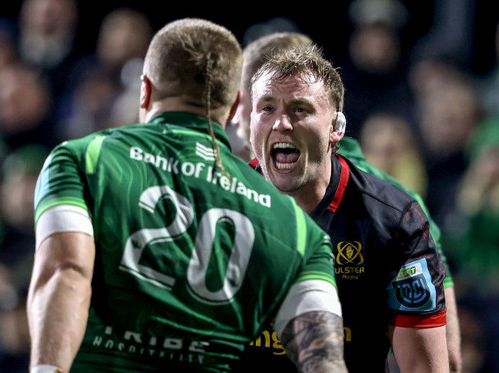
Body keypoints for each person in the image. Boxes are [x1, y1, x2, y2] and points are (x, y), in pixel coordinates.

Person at [26, 18, 347, 373]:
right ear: (236, 102)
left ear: (145, 90)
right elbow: (325, 362)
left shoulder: (83, 160)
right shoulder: (297, 227)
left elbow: (66, 271)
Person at [231, 31, 461, 373]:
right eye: (266, 108)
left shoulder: (395, 219)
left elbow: (430, 366)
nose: (281, 123)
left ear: (336, 128)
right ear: (249, 122)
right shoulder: (216, 206)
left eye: (300, 109)